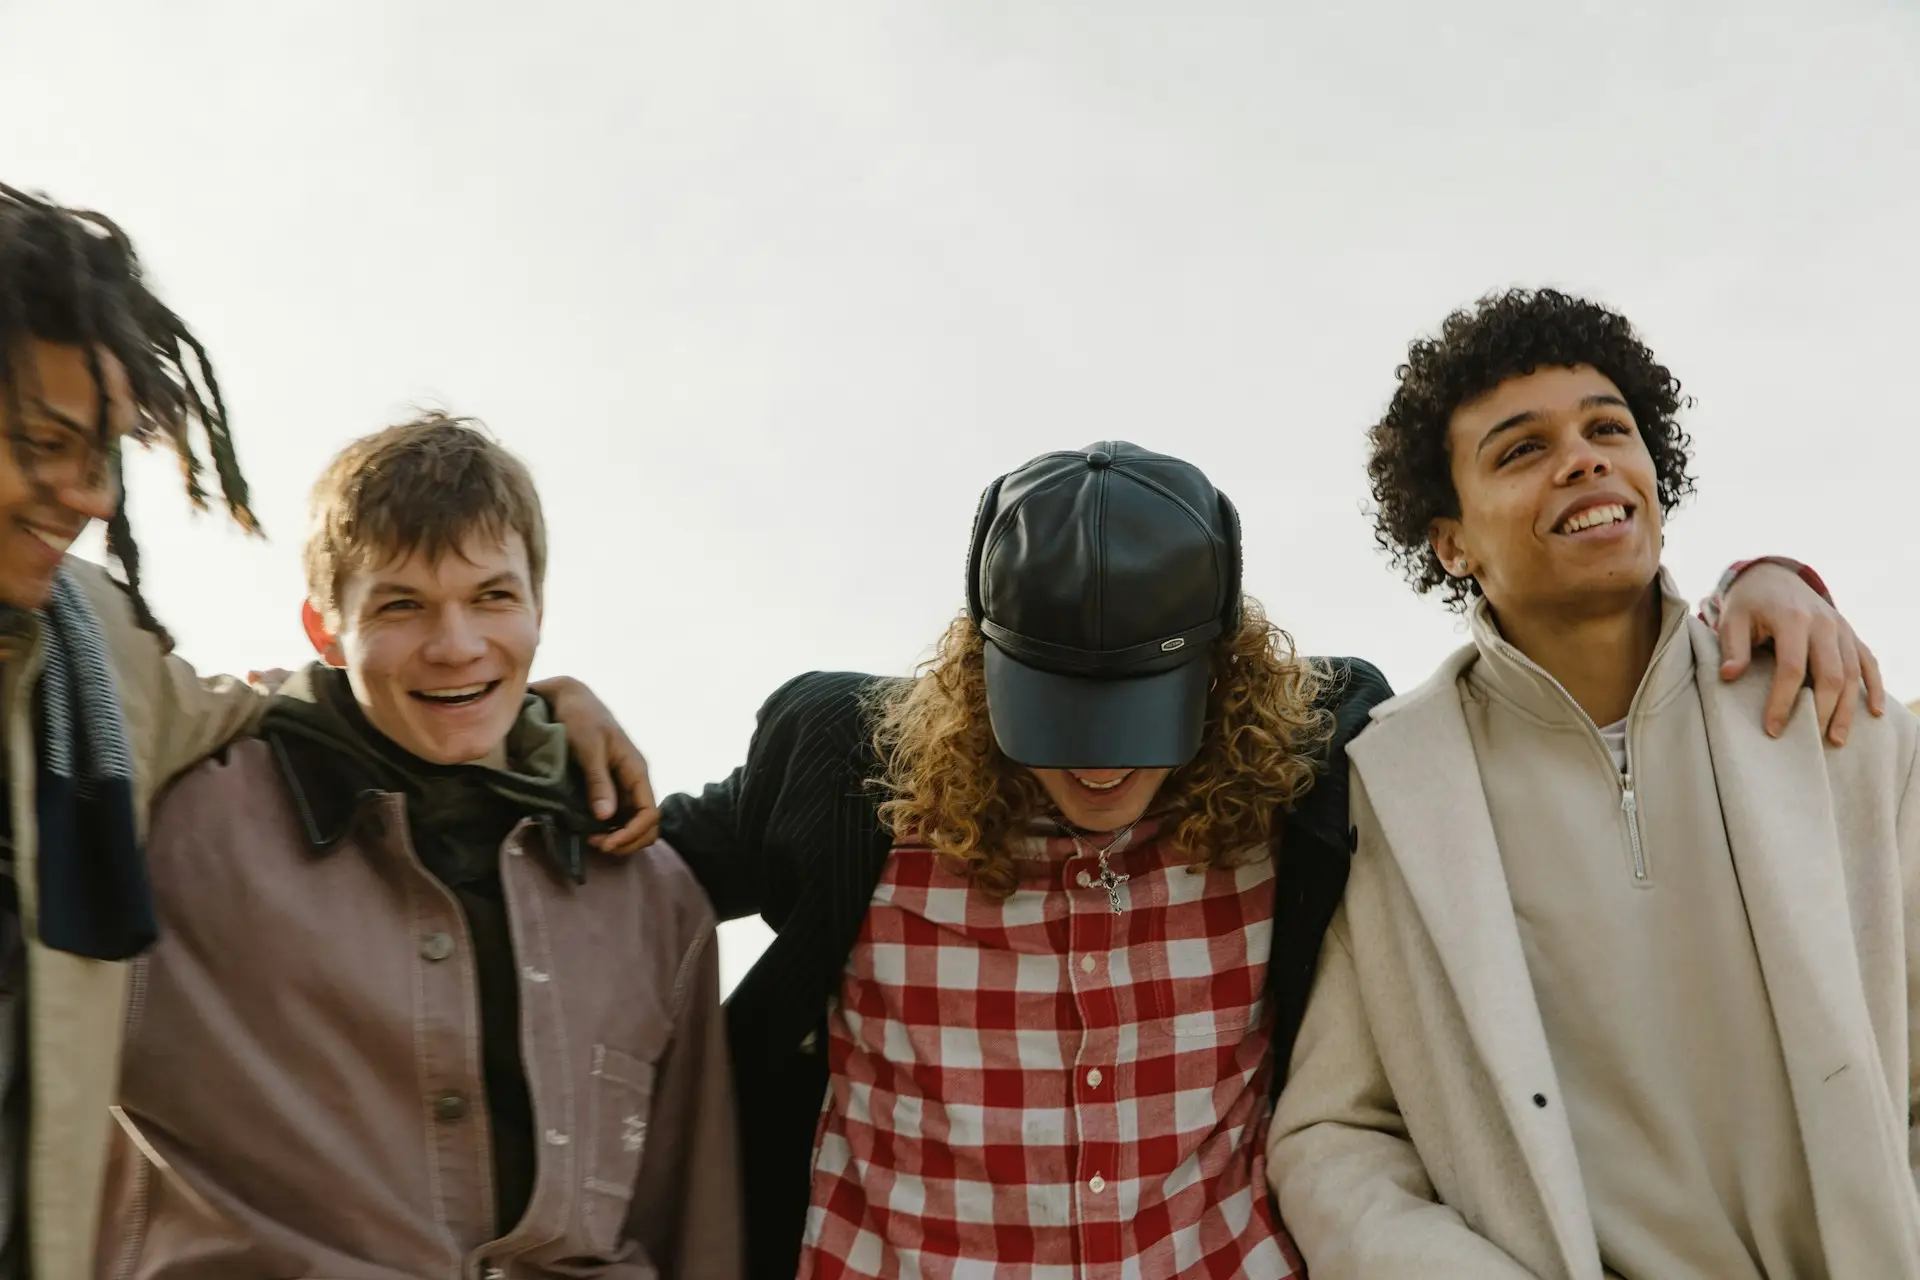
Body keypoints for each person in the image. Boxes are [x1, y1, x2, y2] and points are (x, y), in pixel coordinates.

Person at [658, 439, 1869, 1280]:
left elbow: (1553, 723)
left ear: (1225, 665)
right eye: (1058, 710)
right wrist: (532, 727)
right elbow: (625, 873)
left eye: (1133, 709)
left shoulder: (1320, 762)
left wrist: (1751, 586)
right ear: (981, 669)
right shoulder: (845, 765)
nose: (1094, 767)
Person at [0, 183, 656, 1279]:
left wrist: (541, 713)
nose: (92, 496)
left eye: (104, 450)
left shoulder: (100, 663)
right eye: (41, 442)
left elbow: (312, 703)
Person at [1267, 288, 1917, 1279]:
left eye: (1609, 427)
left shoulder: (1847, 723)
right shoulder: (1394, 792)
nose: (1584, 457)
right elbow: (1333, 1133)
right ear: (1452, 542)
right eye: (1521, 449)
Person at [100, 415, 741, 1279]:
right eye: (401, 605)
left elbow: (691, 1224)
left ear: (538, 610)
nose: (456, 646)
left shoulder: (653, 896)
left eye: (492, 597)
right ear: (324, 628)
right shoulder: (178, 828)